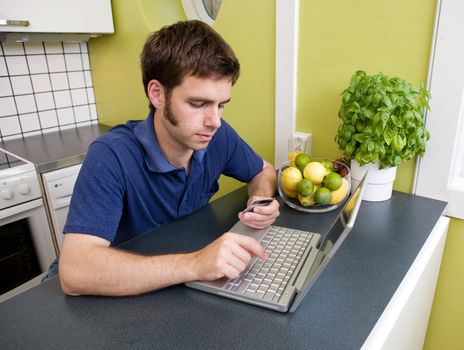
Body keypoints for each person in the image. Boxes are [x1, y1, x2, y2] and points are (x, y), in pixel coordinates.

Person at [58, 20, 279, 297]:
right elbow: (75, 273)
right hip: (100, 301)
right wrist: (196, 264)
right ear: (157, 93)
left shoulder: (217, 137)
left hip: (165, 286)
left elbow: (263, 171)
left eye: (221, 105)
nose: (215, 121)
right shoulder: (110, 155)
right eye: (198, 104)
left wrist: (258, 200)